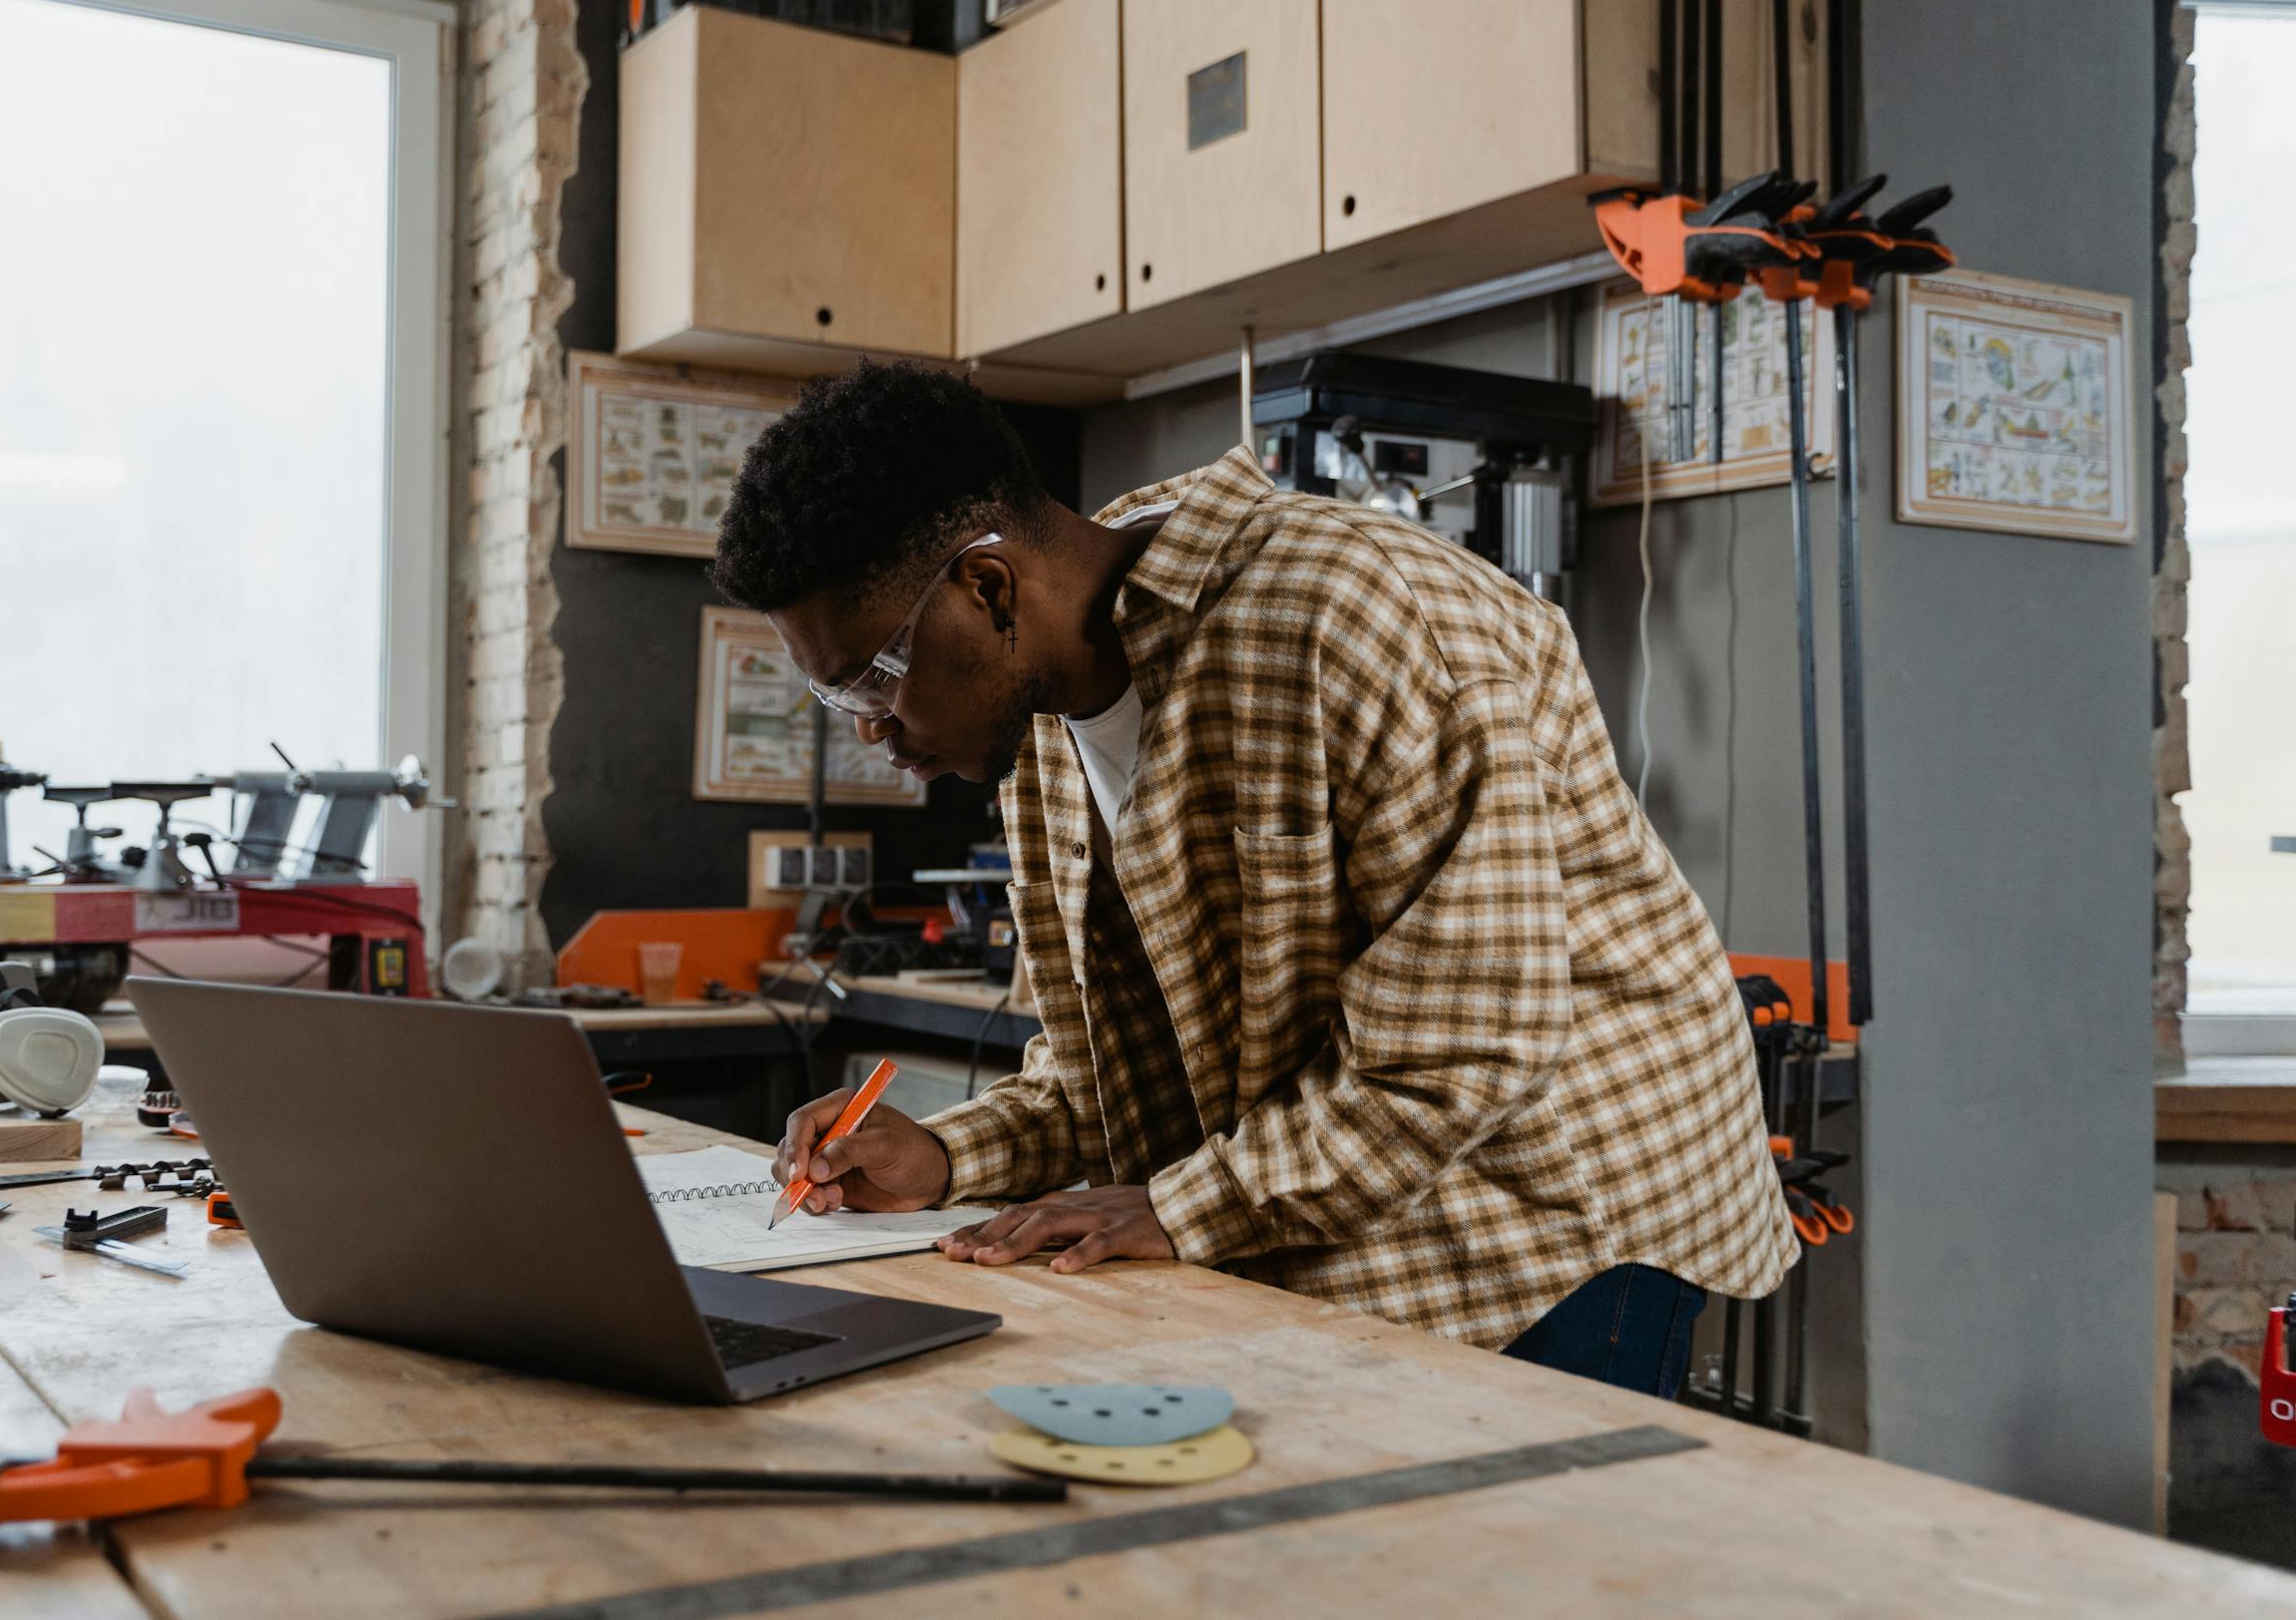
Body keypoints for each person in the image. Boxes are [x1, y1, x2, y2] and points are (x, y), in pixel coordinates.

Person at [710, 361, 1793, 1398]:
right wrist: (948, 1153)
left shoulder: (1358, 618)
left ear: (989, 587)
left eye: (874, 678)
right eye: (837, 699)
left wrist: (1186, 1206)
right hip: (1360, 1197)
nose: (871, 732)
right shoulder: (1041, 721)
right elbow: (1113, 1082)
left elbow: (1463, 1057)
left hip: (1559, 1223)